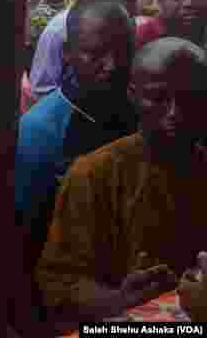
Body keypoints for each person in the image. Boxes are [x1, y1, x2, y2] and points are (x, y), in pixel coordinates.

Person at [36, 38, 207, 326]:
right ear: (133, 94)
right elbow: (57, 283)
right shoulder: (93, 174)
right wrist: (116, 298)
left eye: (190, 99)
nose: (175, 112)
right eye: (158, 98)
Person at [15, 0, 138, 325]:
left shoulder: (144, 110)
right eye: (95, 54)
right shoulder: (39, 132)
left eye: (122, 51)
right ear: (68, 54)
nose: (111, 65)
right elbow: (24, 247)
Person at [28, 0, 142, 102]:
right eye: (130, 0)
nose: (137, 9)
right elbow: (41, 90)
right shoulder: (60, 30)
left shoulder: (127, 22)